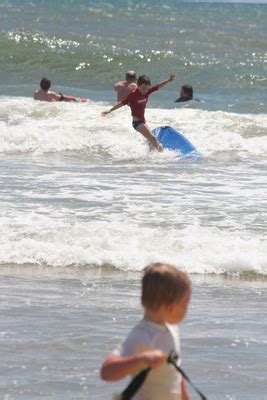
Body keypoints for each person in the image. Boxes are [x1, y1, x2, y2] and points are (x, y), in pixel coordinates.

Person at [101, 262, 192, 400]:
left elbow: (174, 374)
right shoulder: (141, 336)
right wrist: (141, 358)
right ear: (170, 307)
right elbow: (106, 372)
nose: (187, 309)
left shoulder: (172, 330)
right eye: (186, 304)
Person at [102, 73, 176, 152]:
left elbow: (158, 86)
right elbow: (122, 103)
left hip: (143, 121)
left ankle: (151, 157)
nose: (145, 90)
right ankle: (163, 154)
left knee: (151, 141)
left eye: (147, 88)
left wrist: (169, 80)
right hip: (137, 122)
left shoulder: (147, 92)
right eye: (143, 88)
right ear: (138, 85)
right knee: (153, 138)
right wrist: (110, 110)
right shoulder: (133, 95)